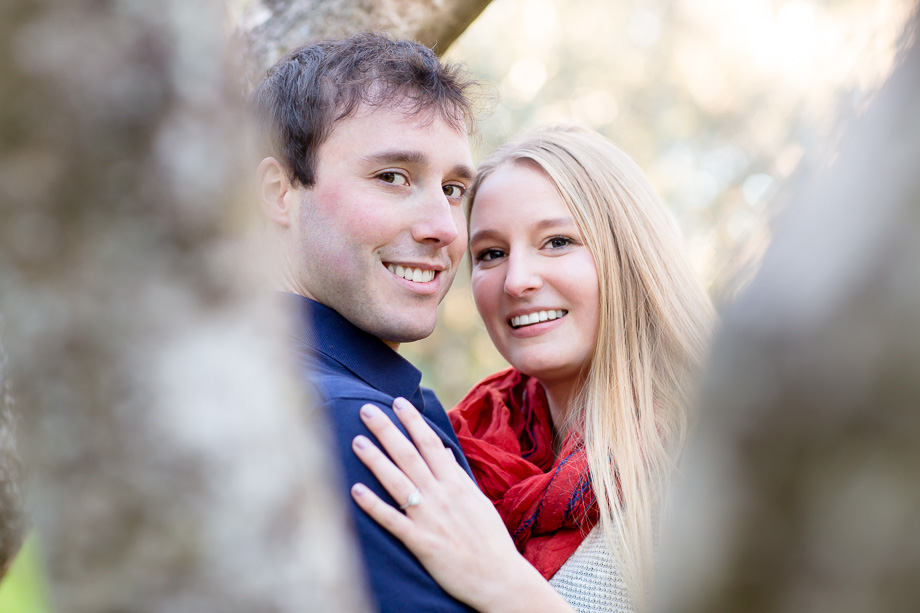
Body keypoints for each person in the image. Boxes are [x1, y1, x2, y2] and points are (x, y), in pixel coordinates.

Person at [350, 125, 715, 612]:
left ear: (628, 254)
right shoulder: (456, 449)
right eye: (492, 254)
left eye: (557, 241)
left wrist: (507, 587)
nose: (517, 281)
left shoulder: (719, 454)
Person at [251, 33, 489, 612]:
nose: (446, 228)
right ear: (279, 193)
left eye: (454, 189)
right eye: (392, 177)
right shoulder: (352, 427)